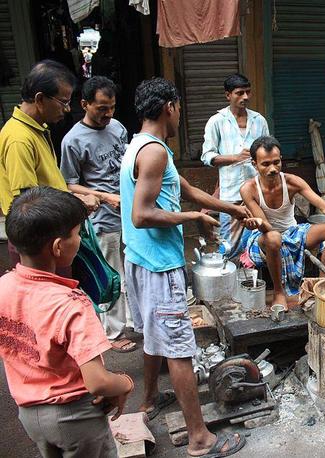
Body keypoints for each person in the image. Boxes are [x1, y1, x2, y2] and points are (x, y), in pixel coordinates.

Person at [120, 77, 247, 457]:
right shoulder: (155, 152)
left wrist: (231, 208)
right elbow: (142, 214)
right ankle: (199, 438)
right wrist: (191, 217)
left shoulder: (142, 145)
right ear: (167, 108)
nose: (179, 113)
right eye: (177, 106)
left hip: (139, 259)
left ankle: (148, 400)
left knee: (152, 336)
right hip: (159, 264)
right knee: (179, 349)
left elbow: (188, 189)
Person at [0, 187, 134, 458]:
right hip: (75, 417)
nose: (80, 240)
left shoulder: (4, 286)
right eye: (77, 234)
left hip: (29, 414)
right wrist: (124, 383)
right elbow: (97, 382)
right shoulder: (71, 303)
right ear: (58, 247)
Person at [60, 76, 135, 353]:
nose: (108, 114)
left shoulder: (117, 127)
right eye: (101, 108)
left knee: (132, 271)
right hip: (103, 219)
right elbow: (68, 183)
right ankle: (112, 333)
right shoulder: (73, 140)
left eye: (112, 107)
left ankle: (132, 322)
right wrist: (104, 197)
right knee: (111, 275)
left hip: (129, 214)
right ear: (84, 104)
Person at [0, 59, 99, 267]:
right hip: (39, 248)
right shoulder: (20, 138)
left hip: (50, 240)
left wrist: (72, 197)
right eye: (63, 102)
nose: (67, 109)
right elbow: (28, 205)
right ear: (40, 99)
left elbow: (45, 188)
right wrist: (77, 204)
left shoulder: (36, 129)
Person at [240, 136, 325, 309]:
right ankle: (279, 292)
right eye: (265, 164)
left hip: (293, 232)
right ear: (254, 164)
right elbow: (267, 227)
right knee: (274, 238)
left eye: (276, 162)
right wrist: (256, 224)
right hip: (263, 235)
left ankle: (321, 284)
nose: (272, 169)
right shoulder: (248, 189)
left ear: (281, 160)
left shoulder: (292, 182)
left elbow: (322, 206)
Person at [201, 73, 269, 259]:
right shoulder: (217, 121)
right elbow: (207, 156)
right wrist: (235, 158)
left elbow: (269, 152)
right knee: (228, 244)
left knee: (256, 240)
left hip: (257, 192)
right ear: (228, 95)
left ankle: (251, 282)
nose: (245, 97)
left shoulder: (259, 120)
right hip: (230, 194)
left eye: (248, 92)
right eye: (240, 93)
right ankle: (229, 281)